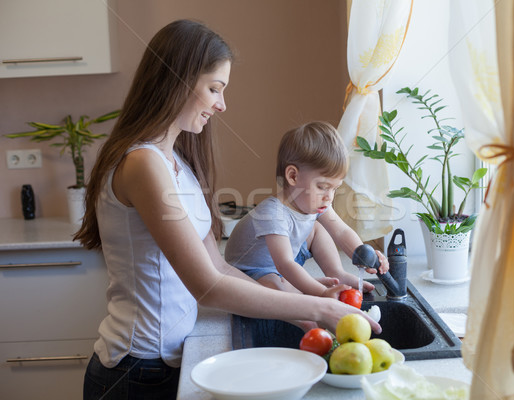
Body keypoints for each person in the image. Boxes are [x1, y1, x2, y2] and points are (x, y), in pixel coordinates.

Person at [74, 20, 380, 400]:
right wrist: (320, 310)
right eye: (214, 89)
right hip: (133, 371)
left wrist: (299, 314)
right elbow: (207, 286)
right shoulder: (142, 164)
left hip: (165, 362)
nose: (222, 104)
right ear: (178, 81)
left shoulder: (176, 164)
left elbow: (218, 266)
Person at [225, 122, 389, 299]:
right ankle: (304, 287)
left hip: (287, 259)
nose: (329, 197)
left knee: (319, 229)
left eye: (335, 188)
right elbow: (285, 265)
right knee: (277, 290)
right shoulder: (273, 214)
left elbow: (341, 232)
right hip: (253, 271)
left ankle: (336, 273)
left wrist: (364, 256)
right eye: (323, 187)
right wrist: (322, 293)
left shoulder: (315, 204)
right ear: (293, 176)